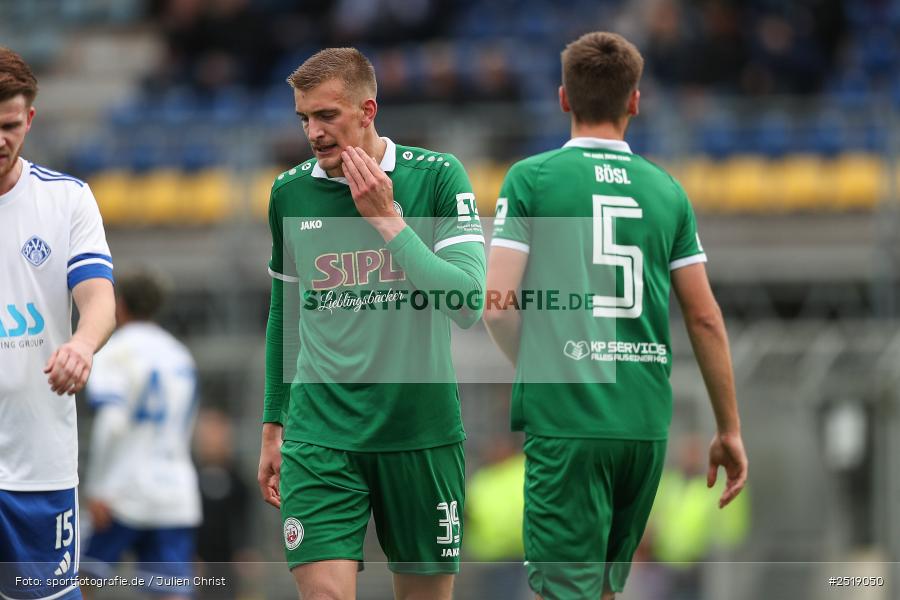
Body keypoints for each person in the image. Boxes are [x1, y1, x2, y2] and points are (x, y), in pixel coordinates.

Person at [483, 32, 748, 600]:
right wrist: (728, 428)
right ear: (634, 100)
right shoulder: (667, 191)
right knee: (605, 589)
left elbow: (496, 303)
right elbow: (704, 318)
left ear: (562, 98)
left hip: (571, 421)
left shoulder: (532, 179)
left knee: (563, 591)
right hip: (643, 426)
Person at [256, 47, 486, 600]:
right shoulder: (290, 193)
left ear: (368, 110)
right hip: (320, 434)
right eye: (304, 118)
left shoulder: (436, 178)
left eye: (326, 116)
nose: (313, 132)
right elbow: (284, 314)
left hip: (419, 430)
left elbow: (467, 301)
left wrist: (388, 221)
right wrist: (273, 424)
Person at [0, 46, 116, 600]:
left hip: (37, 461)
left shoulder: (66, 199)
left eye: (9, 125)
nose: (0, 140)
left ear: (30, 119)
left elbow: (98, 299)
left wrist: (82, 345)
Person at [80, 270, 201, 598]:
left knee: (80, 580)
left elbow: (111, 422)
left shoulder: (115, 351)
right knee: (171, 592)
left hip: (122, 489)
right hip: (175, 492)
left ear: (118, 304)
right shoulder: (180, 355)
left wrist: (97, 487)